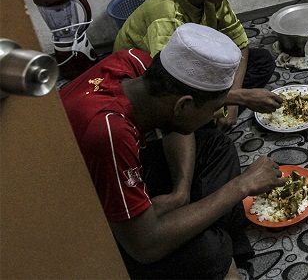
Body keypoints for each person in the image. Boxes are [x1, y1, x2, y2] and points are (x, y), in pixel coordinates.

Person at [60, 23, 286, 279]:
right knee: (209, 250)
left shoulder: (134, 63)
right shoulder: (109, 132)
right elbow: (144, 247)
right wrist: (241, 186)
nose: (214, 114)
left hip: (114, 171)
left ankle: (204, 232)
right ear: (183, 106)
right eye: (212, 109)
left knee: (215, 145)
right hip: (81, 225)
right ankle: (213, 243)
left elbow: (174, 125)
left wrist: (180, 192)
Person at [114, 0, 279, 130]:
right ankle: (208, 119)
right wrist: (241, 98)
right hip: (160, 92)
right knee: (193, 131)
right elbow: (173, 88)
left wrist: (233, 105)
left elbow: (240, 45)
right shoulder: (165, 18)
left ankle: (213, 111)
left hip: (191, 73)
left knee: (262, 61)